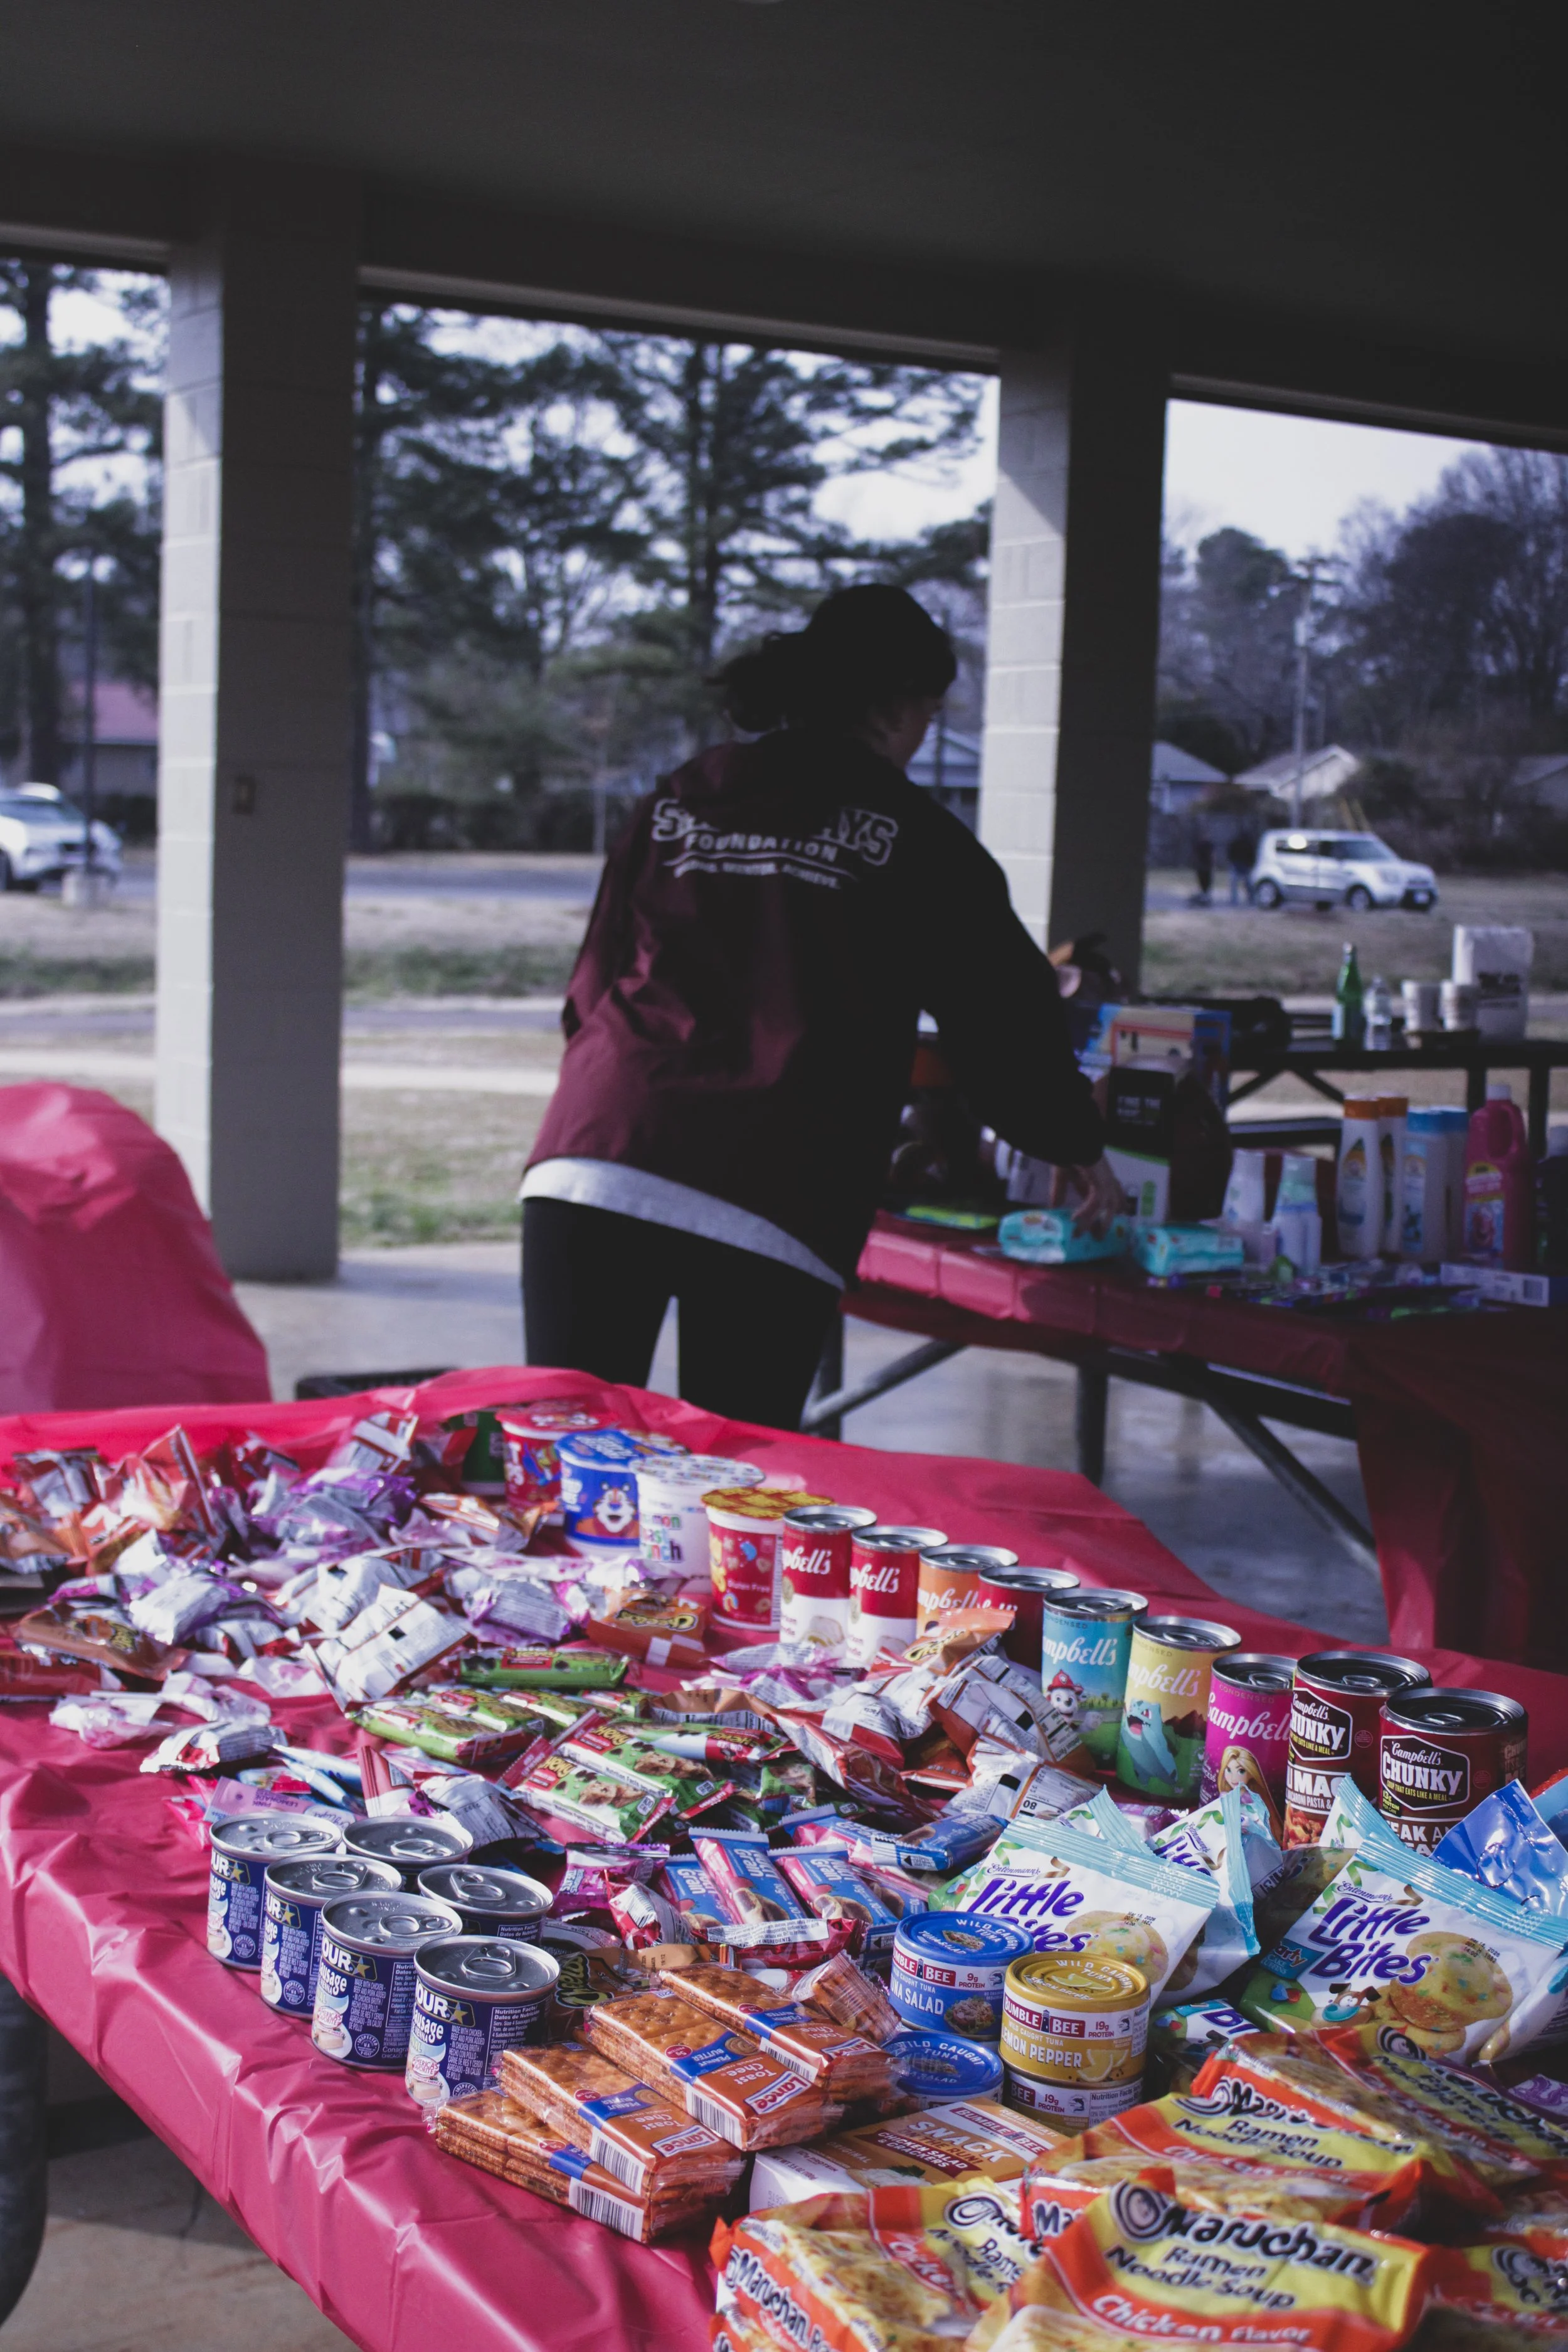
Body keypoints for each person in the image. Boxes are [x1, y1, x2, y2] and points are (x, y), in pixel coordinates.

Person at [521, 585, 1118, 1429]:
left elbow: (594, 984)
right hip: (769, 1183)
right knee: (726, 1500)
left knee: (562, 1465)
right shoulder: (915, 835)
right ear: (893, 707)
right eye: (928, 710)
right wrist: (1073, 1138)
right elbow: (1002, 1013)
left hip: (597, 1156)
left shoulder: (686, 793)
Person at [1227, 824, 1258, 906]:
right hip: (1243, 865)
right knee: (1247, 883)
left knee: (1236, 884)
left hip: (1238, 864)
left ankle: (1235, 900)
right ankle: (1251, 898)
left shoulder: (1236, 842)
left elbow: (1230, 853)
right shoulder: (1248, 843)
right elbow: (1252, 855)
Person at [1191, 830, 1214, 904]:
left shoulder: (1209, 844)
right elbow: (1196, 855)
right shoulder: (1200, 844)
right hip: (1203, 865)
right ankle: (1204, 896)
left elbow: (1212, 855)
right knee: (1203, 881)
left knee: (1207, 881)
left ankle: (1206, 896)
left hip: (1206, 865)